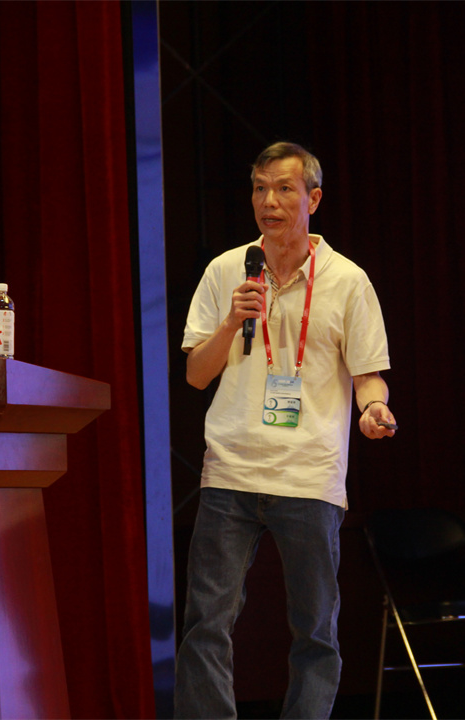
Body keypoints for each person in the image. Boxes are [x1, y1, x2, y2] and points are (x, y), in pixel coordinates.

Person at [175, 141, 397, 719]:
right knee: (206, 623)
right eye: (259, 188)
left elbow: (368, 376)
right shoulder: (227, 270)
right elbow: (196, 375)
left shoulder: (348, 281)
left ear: (313, 199)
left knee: (315, 629)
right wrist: (232, 320)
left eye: (283, 189)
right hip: (230, 469)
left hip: (309, 473)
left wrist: (373, 409)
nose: (268, 202)